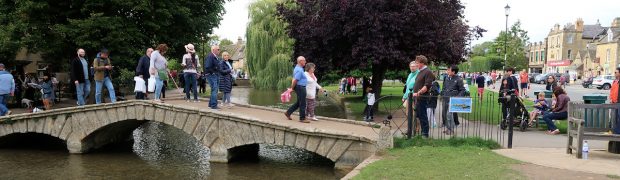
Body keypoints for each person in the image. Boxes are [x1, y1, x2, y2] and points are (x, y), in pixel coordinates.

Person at [412, 55, 435, 137]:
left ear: (422, 63)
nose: (416, 64)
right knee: (418, 116)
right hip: (417, 98)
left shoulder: (428, 72)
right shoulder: (420, 72)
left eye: (417, 63)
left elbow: (427, 85)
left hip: (422, 98)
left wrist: (419, 93)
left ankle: (425, 134)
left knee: (423, 116)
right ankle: (419, 133)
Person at [441, 65, 466, 135]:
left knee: (449, 115)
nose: (447, 71)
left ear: (453, 72)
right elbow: (444, 87)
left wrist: (457, 97)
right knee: (444, 114)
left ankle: (451, 130)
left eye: (449, 70)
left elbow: (463, 90)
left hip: (453, 100)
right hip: (445, 99)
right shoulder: (446, 78)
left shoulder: (459, 79)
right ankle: (448, 128)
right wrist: (442, 93)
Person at [284, 56, 309, 123]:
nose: (305, 62)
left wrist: (293, 88)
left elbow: (294, 79)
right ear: (300, 61)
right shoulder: (299, 70)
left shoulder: (298, 68)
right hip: (300, 87)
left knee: (299, 102)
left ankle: (288, 112)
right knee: (302, 103)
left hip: (300, 87)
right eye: (304, 60)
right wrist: (292, 88)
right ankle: (302, 118)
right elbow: (295, 80)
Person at [204, 45, 221, 109]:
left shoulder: (215, 57)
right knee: (215, 89)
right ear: (213, 50)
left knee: (214, 90)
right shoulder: (210, 56)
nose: (219, 50)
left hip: (214, 74)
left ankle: (211, 105)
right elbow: (207, 66)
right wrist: (213, 73)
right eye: (218, 49)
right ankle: (214, 105)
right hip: (211, 75)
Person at [609, 67, 620, 134]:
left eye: (616, 72)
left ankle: (617, 133)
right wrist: (611, 99)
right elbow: (612, 91)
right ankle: (614, 132)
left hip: (618, 103)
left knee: (618, 118)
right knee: (614, 118)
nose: (614, 74)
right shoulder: (614, 81)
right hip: (614, 103)